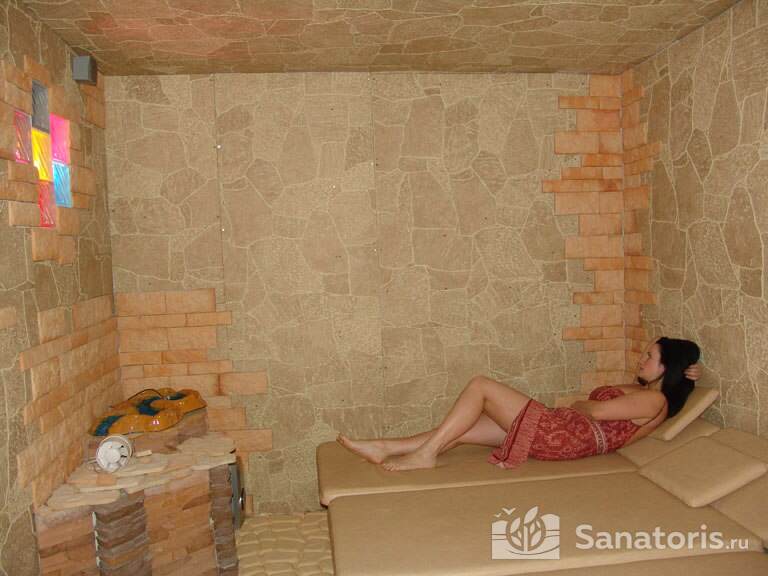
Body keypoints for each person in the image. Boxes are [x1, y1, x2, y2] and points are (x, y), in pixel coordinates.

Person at [337, 337, 701, 472]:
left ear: (666, 366)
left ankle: (426, 455)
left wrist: (580, 405)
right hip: (565, 432)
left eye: (650, 356)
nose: (642, 358)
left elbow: (597, 411)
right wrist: (688, 376)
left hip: (563, 435)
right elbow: (600, 408)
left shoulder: (655, 400)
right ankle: (385, 447)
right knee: (465, 427)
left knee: (480, 386)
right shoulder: (645, 392)